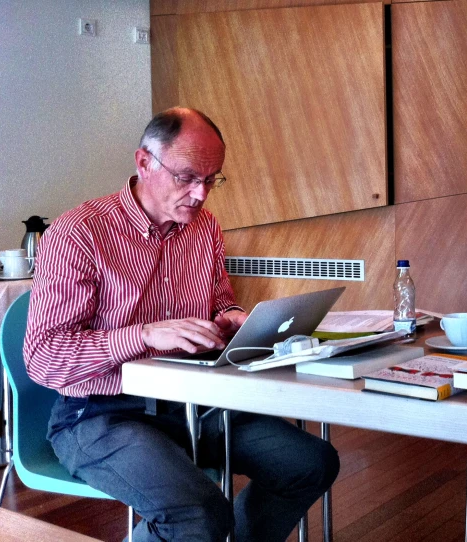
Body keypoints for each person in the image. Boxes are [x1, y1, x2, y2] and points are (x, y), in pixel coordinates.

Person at [23, 107, 340, 541]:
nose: (201, 194)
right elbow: (44, 358)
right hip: (99, 414)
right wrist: (144, 334)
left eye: (211, 179)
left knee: (311, 464)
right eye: (187, 176)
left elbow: (219, 302)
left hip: (194, 401)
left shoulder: (204, 228)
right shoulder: (79, 233)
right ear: (143, 162)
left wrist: (230, 319)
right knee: (199, 513)